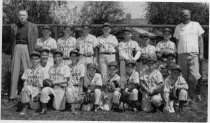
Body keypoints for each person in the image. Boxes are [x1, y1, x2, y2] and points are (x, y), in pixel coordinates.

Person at [173, 9, 205, 104]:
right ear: (181, 16)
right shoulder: (178, 27)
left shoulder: (196, 25)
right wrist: (176, 52)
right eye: (183, 15)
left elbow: (200, 40)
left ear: (190, 16)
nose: (185, 17)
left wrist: (202, 53)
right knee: (183, 77)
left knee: (194, 76)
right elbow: (177, 41)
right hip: (181, 54)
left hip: (193, 54)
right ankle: (186, 97)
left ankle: (192, 94)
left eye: (187, 15)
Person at [9, 10, 38, 103]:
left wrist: (32, 51)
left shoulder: (33, 26)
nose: (22, 17)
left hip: (27, 48)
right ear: (18, 16)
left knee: (28, 71)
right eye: (20, 15)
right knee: (14, 71)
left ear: (27, 16)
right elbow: (12, 41)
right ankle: (12, 95)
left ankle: (30, 94)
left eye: (24, 15)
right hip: (17, 47)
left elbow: (35, 39)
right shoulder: (13, 26)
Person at [39, 50, 70, 114]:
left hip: (61, 88)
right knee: (44, 90)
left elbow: (66, 80)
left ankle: (64, 101)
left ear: (62, 57)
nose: (57, 58)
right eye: (55, 57)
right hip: (52, 88)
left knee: (58, 108)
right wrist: (47, 82)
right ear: (53, 58)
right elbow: (48, 79)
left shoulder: (65, 67)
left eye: (59, 56)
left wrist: (54, 82)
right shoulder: (51, 68)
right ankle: (44, 108)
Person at [19, 51, 45, 116]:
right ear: (30, 60)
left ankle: (40, 105)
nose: (34, 60)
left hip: (38, 89)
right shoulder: (27, 69)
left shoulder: (43, 69)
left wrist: (40, 91)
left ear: (39, 60)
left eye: (36, 59)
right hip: (30, 87)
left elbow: (45, 82)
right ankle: (25, 107)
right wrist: (25, 86)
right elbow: (25, 80)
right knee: (24, 89)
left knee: (35, 108)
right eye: (33, 59)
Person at [65, 49, 85, 114]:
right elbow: (67, 79)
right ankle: (72, 107)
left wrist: (80, 90)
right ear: (70, 57)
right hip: (71, 86)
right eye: (72, 56)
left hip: (78, 86)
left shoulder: (81, 66)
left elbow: (82, 79)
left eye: (75, 56)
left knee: (79, 106)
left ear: (78, 57)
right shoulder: (67, 66)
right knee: (68, 90)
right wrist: (69, 86)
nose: (73, 58)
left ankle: (75, 104)